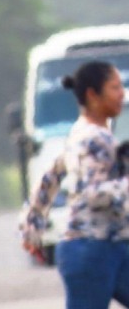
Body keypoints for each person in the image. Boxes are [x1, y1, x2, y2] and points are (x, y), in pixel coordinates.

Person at [22, 60, 129, 309]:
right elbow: (92, 194)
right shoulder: (95, 138)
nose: (121, 93)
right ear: (92, 95)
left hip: (110, 246)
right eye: (114, 88)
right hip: (91, 250)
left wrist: (32, 225)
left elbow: (51, 176)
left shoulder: (81, 133)